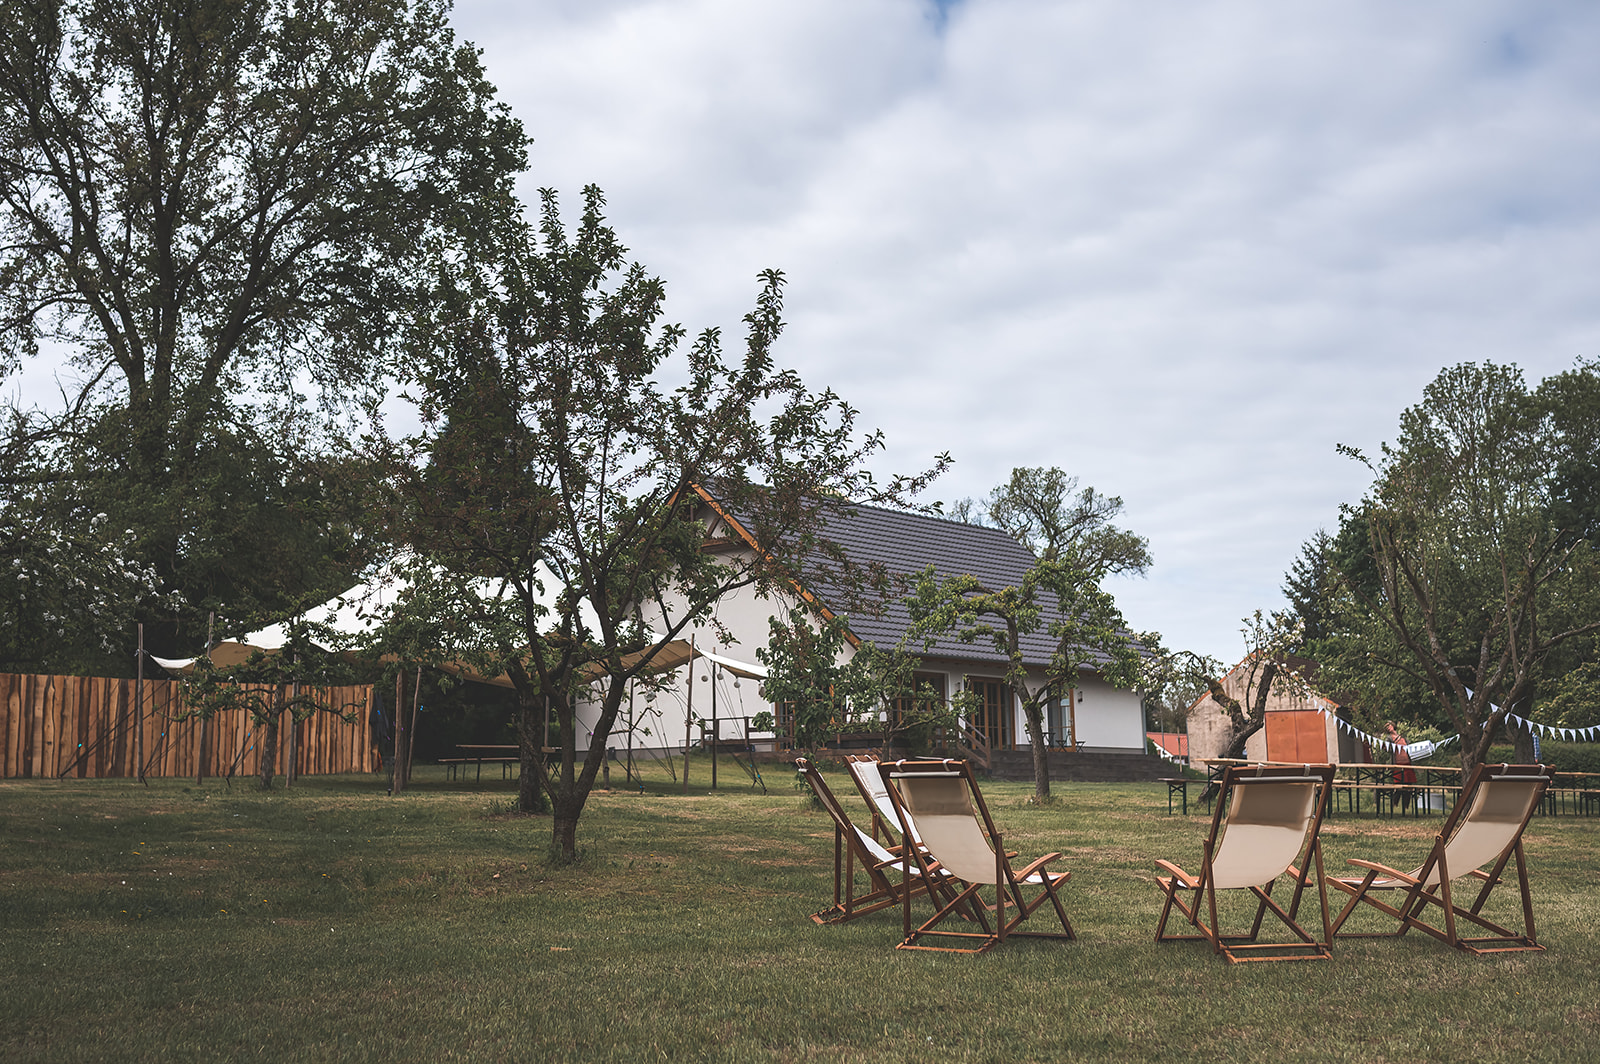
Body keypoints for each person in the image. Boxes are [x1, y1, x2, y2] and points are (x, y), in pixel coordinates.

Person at [1385, 721, 1416, 811]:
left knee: (1409, 786)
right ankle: (1395, 804)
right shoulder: (1389, 738)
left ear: (1393, 726)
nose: (1388, 728)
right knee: (1398, 785)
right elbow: (1388, 749)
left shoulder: (1403, 738)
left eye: (1389, 726)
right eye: (1386, 727)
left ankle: (1406, 806)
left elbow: (1410, 748)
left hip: (1407, 763)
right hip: (1397, 764)